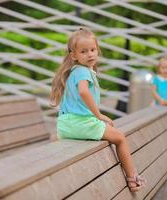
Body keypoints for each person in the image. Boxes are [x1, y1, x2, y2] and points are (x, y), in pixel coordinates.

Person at [50, 27, 146, 192]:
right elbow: (83, 91)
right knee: (120, 138)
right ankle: (132, 178)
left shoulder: (73, 71)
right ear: (74, 55)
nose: (90, 54)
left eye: (93, 50)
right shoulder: (82, 72)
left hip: (65, 125)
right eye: (84, 51)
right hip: (81, 124)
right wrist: (99, 115)